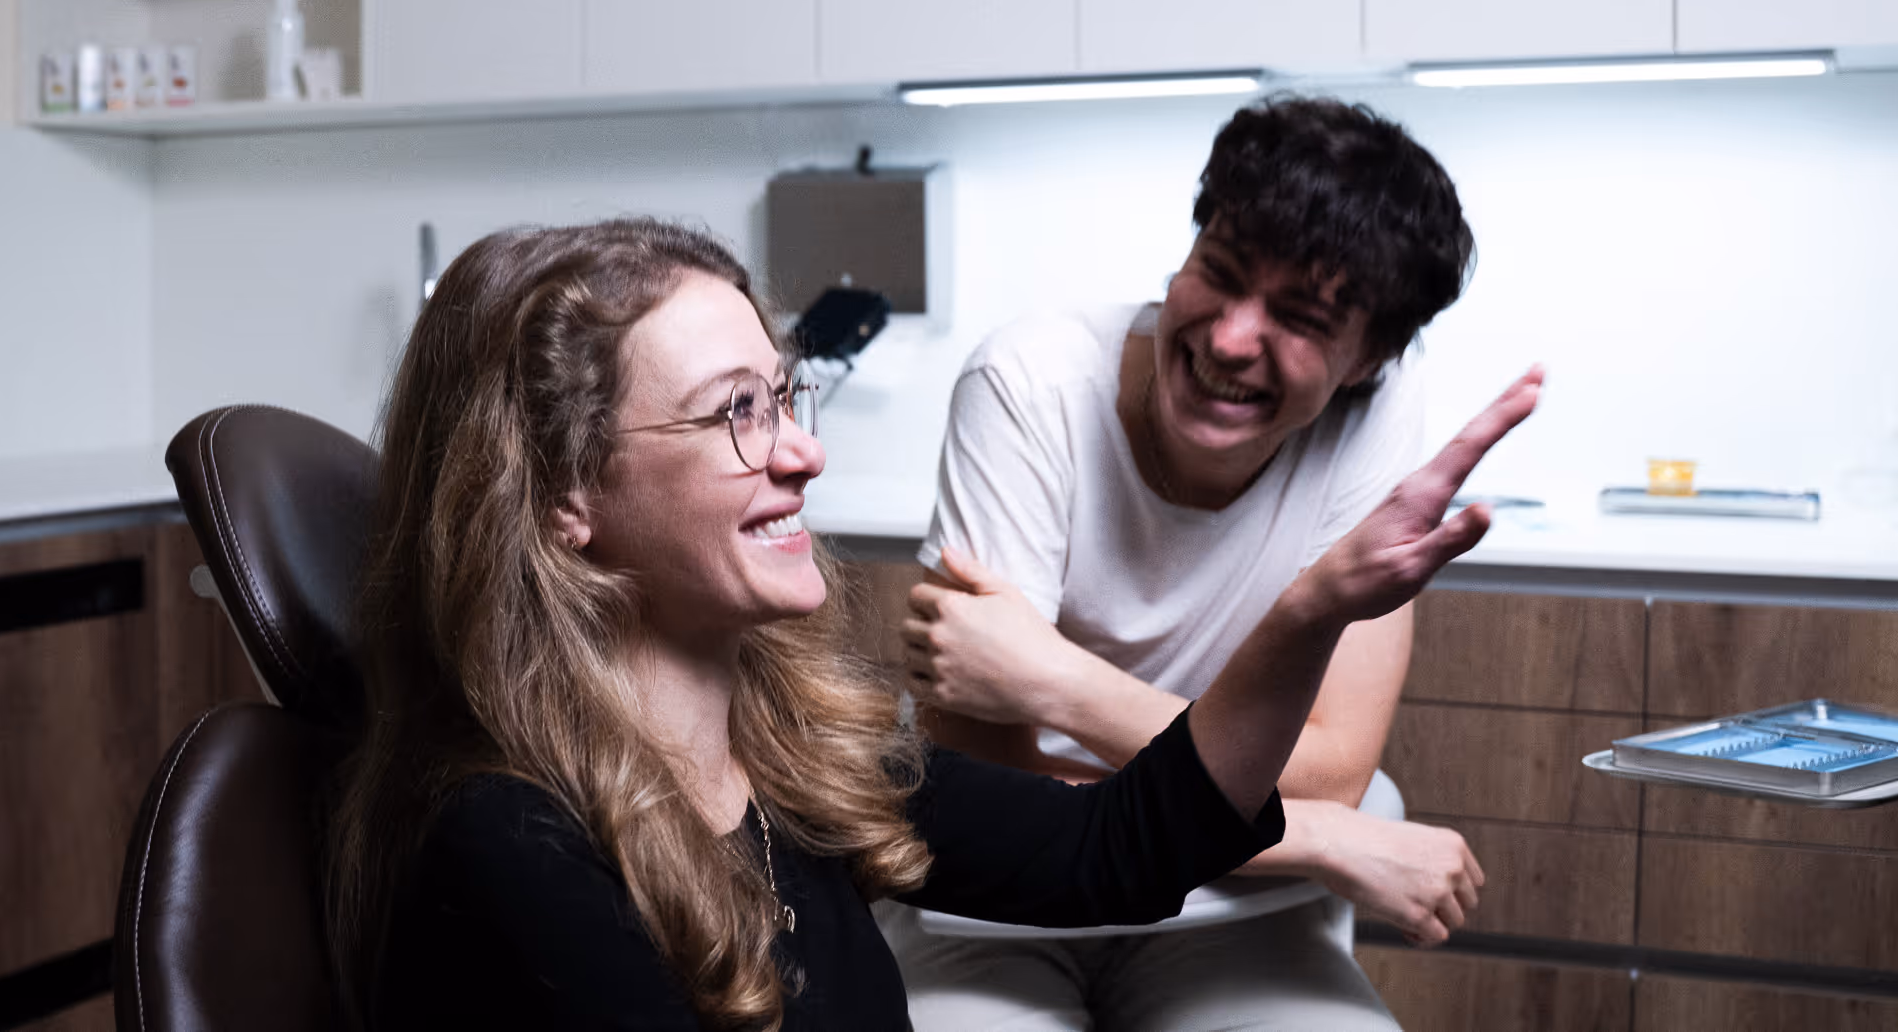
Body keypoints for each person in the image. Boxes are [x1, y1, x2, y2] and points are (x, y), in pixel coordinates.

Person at [326, 217, 1539, 1030]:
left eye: (785, 396)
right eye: (732, 414)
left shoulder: (792, 763)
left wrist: (1311, 609)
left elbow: (1119, 846)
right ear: (559, 498)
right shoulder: (508, 843)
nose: (800, 452)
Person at [890, 95, 1493, 1030]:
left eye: (1297, 316)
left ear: (1368, 361)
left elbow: (1331, 770)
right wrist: (1322, 835)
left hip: (1232, 915)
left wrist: (1050, 681)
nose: (1228, 338)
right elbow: (993, 793)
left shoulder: (1380, 420)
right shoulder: (1030, 385)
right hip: (996, 910)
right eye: (1218, 273)